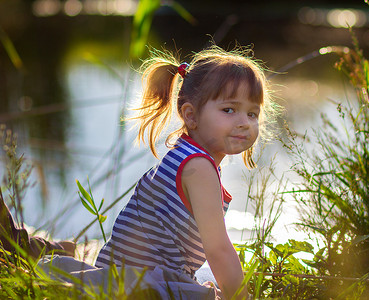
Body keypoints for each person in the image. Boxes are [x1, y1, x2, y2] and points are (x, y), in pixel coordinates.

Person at [1, 45, 274, 299]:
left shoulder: (185, 154)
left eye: (252, 114)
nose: (244, 123)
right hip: (143, 284)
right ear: (190, 115)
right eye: (229, 110)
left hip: (126, 275)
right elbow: (219, 249)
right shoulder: (199, 168)